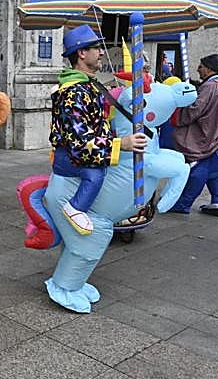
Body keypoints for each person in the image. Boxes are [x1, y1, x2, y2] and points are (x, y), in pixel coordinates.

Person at [47, 25, 147, 234]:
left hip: (85, 153)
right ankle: (75, 208)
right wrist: (121, 144)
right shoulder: (74, 92)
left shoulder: (88, 86)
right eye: (96, 48)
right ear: (82, 53)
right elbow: (80, 143)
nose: (102, 52)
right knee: (95, 174)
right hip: (72, 159)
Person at [168, 54, 218, 216]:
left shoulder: (209, 87)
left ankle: (184, 203)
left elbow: (195, 110)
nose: (198, 69)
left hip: (208, 136)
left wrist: (177, 115)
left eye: (201, 66)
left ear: (208, 68)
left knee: (199, 169)